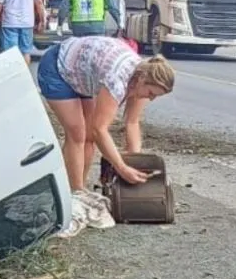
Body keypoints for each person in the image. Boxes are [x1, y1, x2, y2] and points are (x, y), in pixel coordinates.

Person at [36, 35, 175, 192]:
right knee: (77, 134)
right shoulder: (117, 80)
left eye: (156, 96)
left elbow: (132, 122)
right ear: (142, 79)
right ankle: (75, 192)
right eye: (151, 93)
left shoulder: (142, 78)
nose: (151, 98)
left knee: (89, 137)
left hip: (83, 74)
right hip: (58, 67)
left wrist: (134, 162)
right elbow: (100, 130)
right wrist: (121, 168)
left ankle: (79, 187)